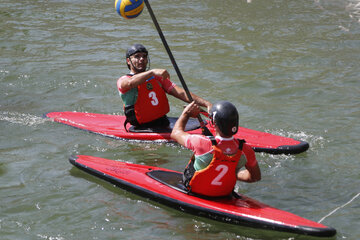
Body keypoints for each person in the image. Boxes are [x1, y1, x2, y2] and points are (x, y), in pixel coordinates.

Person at [171, 101, 261, 197]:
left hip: (195, 191)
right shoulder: (246, 150)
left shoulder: (201, 142)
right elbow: (255, 177)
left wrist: (186, 113)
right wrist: (232, 174)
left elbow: (175, 133)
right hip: (224, 195)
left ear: (213, 122)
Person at [117, 43, 212, 129]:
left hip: (163, 122)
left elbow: (182, 93)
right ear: (128, 61)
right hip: (142, 127)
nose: (141, 59)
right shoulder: (123, 80)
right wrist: (152, 72)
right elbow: (129, 83)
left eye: (144, 56)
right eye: (137, 56)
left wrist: (206, 104)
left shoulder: (156, 78)